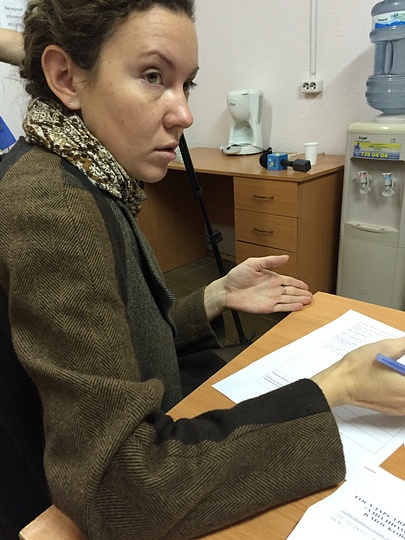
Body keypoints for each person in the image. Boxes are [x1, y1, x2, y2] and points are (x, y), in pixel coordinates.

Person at [0, 1, 404, 539]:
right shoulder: (55, 206)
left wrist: (213, 296)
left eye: (186, 84)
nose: (184, 114)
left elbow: (110, 341)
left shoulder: (79, 173)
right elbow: (123, 491)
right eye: (153, 76)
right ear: (65, 77)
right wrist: (339, 384)